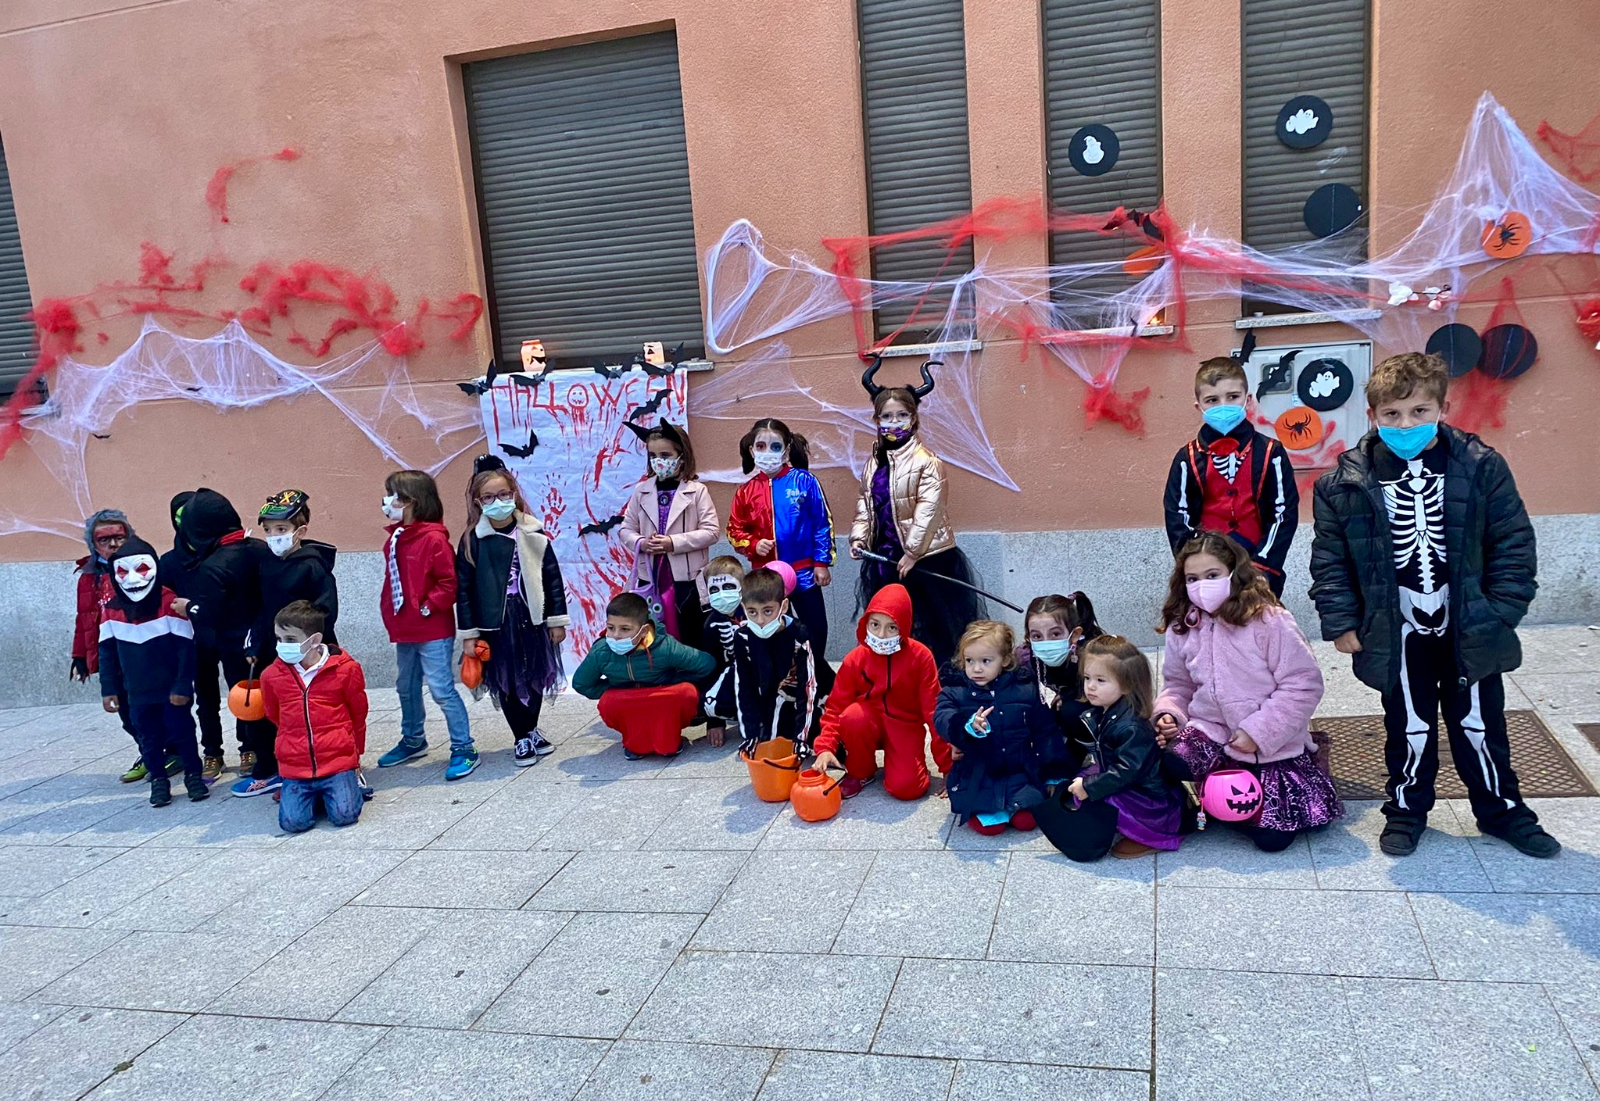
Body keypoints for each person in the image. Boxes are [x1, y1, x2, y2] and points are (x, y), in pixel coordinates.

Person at [1310, 351, 1559, 858]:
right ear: (1373, 414)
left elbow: (1514, 544)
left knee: (1480, 722)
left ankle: (1503, 810)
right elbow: (1329, 559)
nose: (1406, 424)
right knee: (1407, 723)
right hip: (1395, 624)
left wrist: (1498, 614)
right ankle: (1405, 809)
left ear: (1443, 408)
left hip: (1469, 622)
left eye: (1419, 411)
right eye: (1392, 415)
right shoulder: (1343, 483)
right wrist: (1340, 620)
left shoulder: (1481, 467)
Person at [1154, 532, 1342, 852]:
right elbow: (1178, 685)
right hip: (1211, 733)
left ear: (1233, 572)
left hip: (1269, 744)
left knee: (1272, 839)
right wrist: (1169, 713)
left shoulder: (1269, 619)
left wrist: (1258, 731)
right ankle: (1192, 807)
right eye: (1192, 578)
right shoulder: (1183, 625)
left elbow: (1303, 684)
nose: (1202, 585)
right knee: (1165, 759)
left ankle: (1234, 801)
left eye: (1212, 575)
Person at [848, 360, 984, 664]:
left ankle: (936, 678)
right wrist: (858, 539)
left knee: (934, 625)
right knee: (892, 623)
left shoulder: (927, 461)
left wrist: (912, 552)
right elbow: (866, 505)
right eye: (886, 416)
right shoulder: (874, 463)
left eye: (901, 415)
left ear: (913, 418)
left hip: (925, 561)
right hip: (886, 558)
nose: (893, 422)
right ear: (877, 419)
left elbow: (930, 510)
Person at [456, 456, 570, 776]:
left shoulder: (532, 532)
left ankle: (531, 729)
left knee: (535, 675)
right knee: (506, 681)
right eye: (489, 497)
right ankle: (520, 736)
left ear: (514, 494)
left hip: (532, 617)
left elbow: (552, 578)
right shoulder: (471, 541)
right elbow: (463, 593)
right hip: (496, 624)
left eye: (504, 495)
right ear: (478, 502)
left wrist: (556, 619)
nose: (498, 502)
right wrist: (469, 634)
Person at [229, 489, 339, 798]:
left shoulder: (313, 566)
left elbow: (325, 612)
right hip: (271, 651)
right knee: (267, 713)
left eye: (281, 530)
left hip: (305, 652)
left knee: (308, 712)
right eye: (268, 531)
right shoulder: (268, 564)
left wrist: (310, 647)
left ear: (300, 531)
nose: (274, 536)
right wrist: (254, 646)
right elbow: (263, 610)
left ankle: (315, 767)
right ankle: (270, 768)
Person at [1034, 636, 1183, 861]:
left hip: (1149, 798)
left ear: (1127, 684)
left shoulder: (1131, 727)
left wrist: (1091, 786)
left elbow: (1128, 770)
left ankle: (1151, 836)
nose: (1090, 686)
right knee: (1079, 784)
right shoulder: (1106, 711)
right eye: (1087, 678)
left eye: (1101, 680)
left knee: (1094, 796)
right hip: (1132, 782)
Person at [1163, 350, 1298, 596]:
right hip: (1206, 570)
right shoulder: (1187, 458)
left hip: (1258, 563)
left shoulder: (1271, 452)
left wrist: (1262, 566)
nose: (1223, 406)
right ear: (1199, 406)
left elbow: (1284, 514)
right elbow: (1177, 517)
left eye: (1232, 397)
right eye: (1212, 400)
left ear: (1247, 400)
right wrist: (1194, 566)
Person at [726, 418, 836, 695]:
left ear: (786, 449)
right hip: (765, 578)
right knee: (769, 632)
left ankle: (814, 680)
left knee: (814, 630)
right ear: (752, 450)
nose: (767, 451)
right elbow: (733, 529)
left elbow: (822, 523)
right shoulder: (745, 491)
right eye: (761, 445)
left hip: (804, 573)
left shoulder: (805, 481)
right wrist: (751, 544)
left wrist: (821, 563)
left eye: (775, 446)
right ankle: (775, 684)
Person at [373, 470, 473, 772]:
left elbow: (448, 582)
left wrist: (428, 607)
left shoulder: (433, 540)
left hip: (432, 629)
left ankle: (463, 746)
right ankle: (413, 739)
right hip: (404, 629)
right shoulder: (396, 539)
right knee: (406, 686)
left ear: (413, 501)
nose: (388, 501)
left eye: (395, 496)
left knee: (442, 688)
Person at [97, 536, 208, 808]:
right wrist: (109, 688)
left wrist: (183, 684)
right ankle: (158, 779)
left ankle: (194, 774)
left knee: (182, 732)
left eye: (142, 569)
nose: (133, 578)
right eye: (123, 571)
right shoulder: (111, 612)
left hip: (171, 689)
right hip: (136, 691)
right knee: (148, 737)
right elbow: (107, 654)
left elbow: (186, 649)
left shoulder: (169, 604)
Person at [812, 583, 949, 800]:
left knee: (908, 789)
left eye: (892, 627)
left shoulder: (921, 657)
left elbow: (935, 711)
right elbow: (835, 708)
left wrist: (948, 767)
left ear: (904, 628)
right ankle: (860, 772)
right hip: (867, 723)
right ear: (866, 622)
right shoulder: (855, 659)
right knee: (852, 716)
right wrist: (825, 746)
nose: (881, 635)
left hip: (905, 725)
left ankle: (901, 764)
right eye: (875, 625)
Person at [171, 489, 265, 782]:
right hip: (213, 643)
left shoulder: (218, 562)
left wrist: (190, 607)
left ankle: (254, 753)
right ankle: (215, 751)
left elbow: (210, 610)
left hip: (233, 642)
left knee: (245, 698)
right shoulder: (258, 549)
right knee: (213, 698)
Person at [934, 621, 1057, 836]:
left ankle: (1015, 805)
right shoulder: (956, 690)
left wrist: (1054, 772)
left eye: (986, 661)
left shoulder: (1025, 689)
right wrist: (967, 726)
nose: (976, 668)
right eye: (969, 661)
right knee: (991, 828)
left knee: (1026, 822)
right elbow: (942, 716)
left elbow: (1045, 730)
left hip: (1019, 768)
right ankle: (988, 808)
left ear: (1005, 660)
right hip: (977, 772)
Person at [259, 600, 368, 834]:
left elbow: (358, 713)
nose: (281, 646)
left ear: (315, 640)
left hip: (337, 761)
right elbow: (273, 713)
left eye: (290, 640)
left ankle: (345, 787)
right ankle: (312, 796)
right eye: (278, 639)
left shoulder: (346, 669)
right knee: (292, 823)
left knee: (345, 815)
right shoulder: (270, 676)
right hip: (296, 766)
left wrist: (356, 756)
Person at [571, 592, 717, 759]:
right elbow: (582, 684)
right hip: (629, 701)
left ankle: (670, 739)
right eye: (611, 628)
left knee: (686, 693)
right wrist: (616, 689)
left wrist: (672, 681)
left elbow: (706, 664)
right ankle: (634, 743)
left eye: (625, 629)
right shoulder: (601, 651)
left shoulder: (665, 647)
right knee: (608, 702)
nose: (616, 635)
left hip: (660, 697)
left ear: (644, 630)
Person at [620, 421, 720, 652]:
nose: (658, 461)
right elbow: (626, 529)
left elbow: (712, 531)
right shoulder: (641, 490)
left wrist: (673, 543)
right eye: (653, 455)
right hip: (651, 577)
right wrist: (641, 543)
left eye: (665, 454)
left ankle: (692, 684)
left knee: (688, 632)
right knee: (654, 632)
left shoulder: (697, 491)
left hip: (687, 580)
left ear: (681, 456)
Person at [71, 508, 152, 782]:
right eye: (105, 540)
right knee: (125, 712)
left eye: (119, 537)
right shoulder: (89, 576)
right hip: (110, 655)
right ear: (94, 545)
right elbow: (83, 618)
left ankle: (170, 751)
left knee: (149, 707)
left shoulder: (139, 570)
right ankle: (149, 752)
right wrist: (80, 655)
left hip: (138, 651)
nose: (113, 545)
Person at [157, 491, 227, 783]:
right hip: (195, 640)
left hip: (228, 632)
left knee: (246, 691)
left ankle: (251, 747)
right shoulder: (170, 562)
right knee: (206, 697)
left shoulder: (220, 553)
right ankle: (212, 751)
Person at [1019, 591, 1106, 783]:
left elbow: (1120, 697)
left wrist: (1070, 695)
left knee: (1071, 710)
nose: (1046, 642)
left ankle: (1102, 755)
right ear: (1028, 637)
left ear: (1074, 634)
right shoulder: (1027, 657)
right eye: (1037, 636)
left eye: (1055, 634)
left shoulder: (1094, 655)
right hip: (1067, 710)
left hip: (1105, 714)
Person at [731, 566, 818, 756]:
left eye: (768, 611)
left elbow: (808, 687)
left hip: (807, 698)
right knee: (768, 747)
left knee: (822, 743)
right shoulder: (742, 637)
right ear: (743, 607)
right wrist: (750, 734)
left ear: (783, 606)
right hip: (773, 698)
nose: (760, 620)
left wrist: (801, 737)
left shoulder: (799, 635)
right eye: (752, 612)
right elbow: (745, 687)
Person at [701, 555, 747, 747]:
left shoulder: (754, 613)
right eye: (714, 590)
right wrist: (714, 720)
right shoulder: (710, 625)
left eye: (728, 587)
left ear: (741, 588)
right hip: (727, 679)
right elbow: (710, 670)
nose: (721, 594)